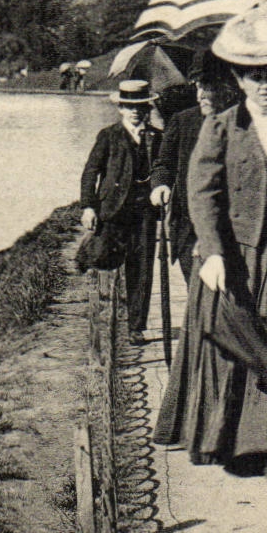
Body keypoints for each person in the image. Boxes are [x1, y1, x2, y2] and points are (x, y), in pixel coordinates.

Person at [153, 0, 267, 482]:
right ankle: (234, 441)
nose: (265, 86)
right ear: (239, 79)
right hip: (236, 252)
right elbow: (201, 192)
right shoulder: (221, 127)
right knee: (240, 347)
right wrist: (211, 250)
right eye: (255, 78)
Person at [80, 79, 162, 345]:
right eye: (129, 106)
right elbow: (91, 171)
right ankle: (101, 314)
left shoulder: (156, 137)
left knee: (142, 268)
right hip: (113, 210)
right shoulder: (109, 136)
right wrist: (88, 206)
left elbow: (165, 171)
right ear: (121, 109)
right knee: (103, 258)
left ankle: (136, 327)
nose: (135, 112)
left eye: (140, 106)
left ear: (147, 108)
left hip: (144, 213)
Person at [150, 52, 238, 280]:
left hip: (234, 228)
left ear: (226, 87)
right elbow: (164, 164)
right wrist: (161, 185)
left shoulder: (243, 123)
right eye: (197, 86)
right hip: (189, 227)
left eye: (206, 87)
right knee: (197, 298)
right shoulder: (183, 121)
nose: (199, 95)